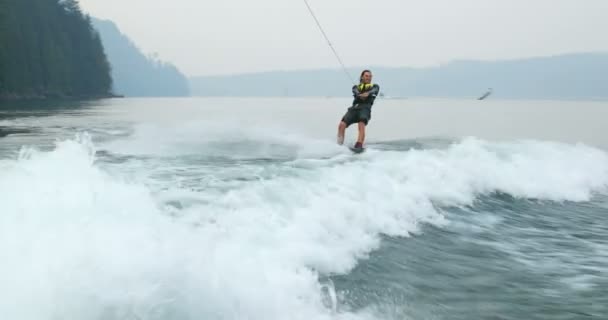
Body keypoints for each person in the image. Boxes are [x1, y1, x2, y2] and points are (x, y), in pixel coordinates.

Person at [337, 70, 380, 148]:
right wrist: (360, 94)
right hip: (354, 108)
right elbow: (355, 90)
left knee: (361, 124)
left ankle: (359, 144)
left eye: (370, 76)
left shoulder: (375, 86)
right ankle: (339, 144)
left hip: (365, 108)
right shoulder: (356, 87)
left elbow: (375, 90)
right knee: (342, 125)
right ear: (362, 77)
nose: (369, 78)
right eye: (367, 76)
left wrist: (367, 93)